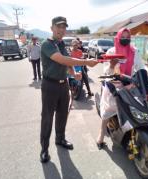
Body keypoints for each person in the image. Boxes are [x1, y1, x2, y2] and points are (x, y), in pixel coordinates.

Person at [40, 16, 98, 163]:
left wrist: (75, 73)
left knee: (62, 114)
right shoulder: (47, 44)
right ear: (52, 28)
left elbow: (67, 64)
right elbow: (62, 59)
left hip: (63, 84)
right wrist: (86, 62)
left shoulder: (61, 44)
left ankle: (60, 139)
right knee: (47, 118)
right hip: (50, 85)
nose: (61, 30)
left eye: (64, 27)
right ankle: (44, 149)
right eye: (58, 26)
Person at [96, 28, 148, 149]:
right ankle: (101, 134)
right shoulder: (111, 51)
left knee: (138, 105)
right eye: (122, 37)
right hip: (114, 84)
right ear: (118, 38)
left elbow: (140, 66)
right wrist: (112, 65)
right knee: (108, 111)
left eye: (127, 37)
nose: (125, 39)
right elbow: (106, 71)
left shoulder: (134, 51)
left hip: (129, 84)